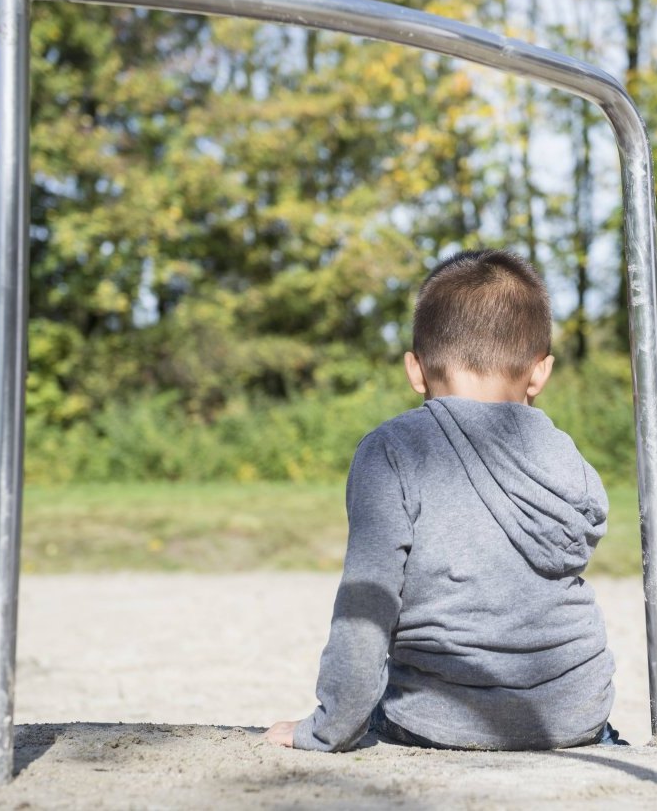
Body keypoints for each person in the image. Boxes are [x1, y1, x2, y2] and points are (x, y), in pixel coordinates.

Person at [264, 249, 624, 752]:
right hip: (572, 720)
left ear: (415, 369)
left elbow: (367, 601)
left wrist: (330, 726)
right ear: (540, 373)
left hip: (437, 723)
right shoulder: (566, 457)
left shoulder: (392, 450)